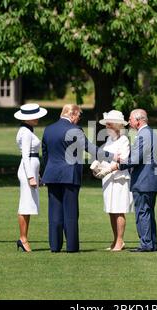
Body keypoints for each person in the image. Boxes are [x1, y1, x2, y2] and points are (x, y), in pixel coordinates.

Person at [41, 104, 116, 253]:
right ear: (73, 114)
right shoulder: (75, 130)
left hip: (52, 174)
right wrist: (112, 156)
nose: (79, 119)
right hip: (69, 175)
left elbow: (45, 154)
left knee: (54, 212)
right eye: (79, 116)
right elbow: (90, 148)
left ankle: (55, 246)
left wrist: (47, 171)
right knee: (70, 212)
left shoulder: (48, 129)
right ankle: (72, 246)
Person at [111, 109, 157, 252]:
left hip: (143, 181)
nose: (129, 121)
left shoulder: (143, 136)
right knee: (149, 212)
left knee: (143, 212)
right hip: (152, 180)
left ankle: (146, 244)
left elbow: (135, 159)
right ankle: (152, 243)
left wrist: (119, 164)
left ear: (138, 120)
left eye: (131, 119)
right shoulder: (153, 134)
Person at [91, 110, 133, 251]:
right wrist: (97, 166)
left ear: (116, 125)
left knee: (119, 209)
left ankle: (120, 241)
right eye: (106, 125)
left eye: (109, 124)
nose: (106, 127)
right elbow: (103, 156)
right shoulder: (109, 140)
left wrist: (109, 168)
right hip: (108, 179)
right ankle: (115, 240)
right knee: (111, 209)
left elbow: (124, 160)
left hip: (120, 178)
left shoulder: (124, 140)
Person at [14, 103, 47, 252]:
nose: (38, 118)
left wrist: (36, 174)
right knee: (25, 205)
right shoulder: (26, 132)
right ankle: (23, 238)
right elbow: (26, 156)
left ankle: (24, 238)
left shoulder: (27, 130)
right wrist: (31, 177)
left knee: (28, 205)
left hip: (31, 169)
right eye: (35, 116)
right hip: (28, 170)